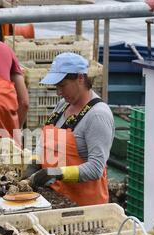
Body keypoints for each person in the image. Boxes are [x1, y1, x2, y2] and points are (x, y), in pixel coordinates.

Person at [22, 52, 114, 206]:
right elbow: (44, 142)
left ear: (80, 78)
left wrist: (57, 173)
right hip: (56, 198)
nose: (59, 92)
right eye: (56, 86)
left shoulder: (97, 116)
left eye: (62, 85)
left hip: (84, 207)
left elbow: (96, 168)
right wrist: (34, 162)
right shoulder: (63, 105)